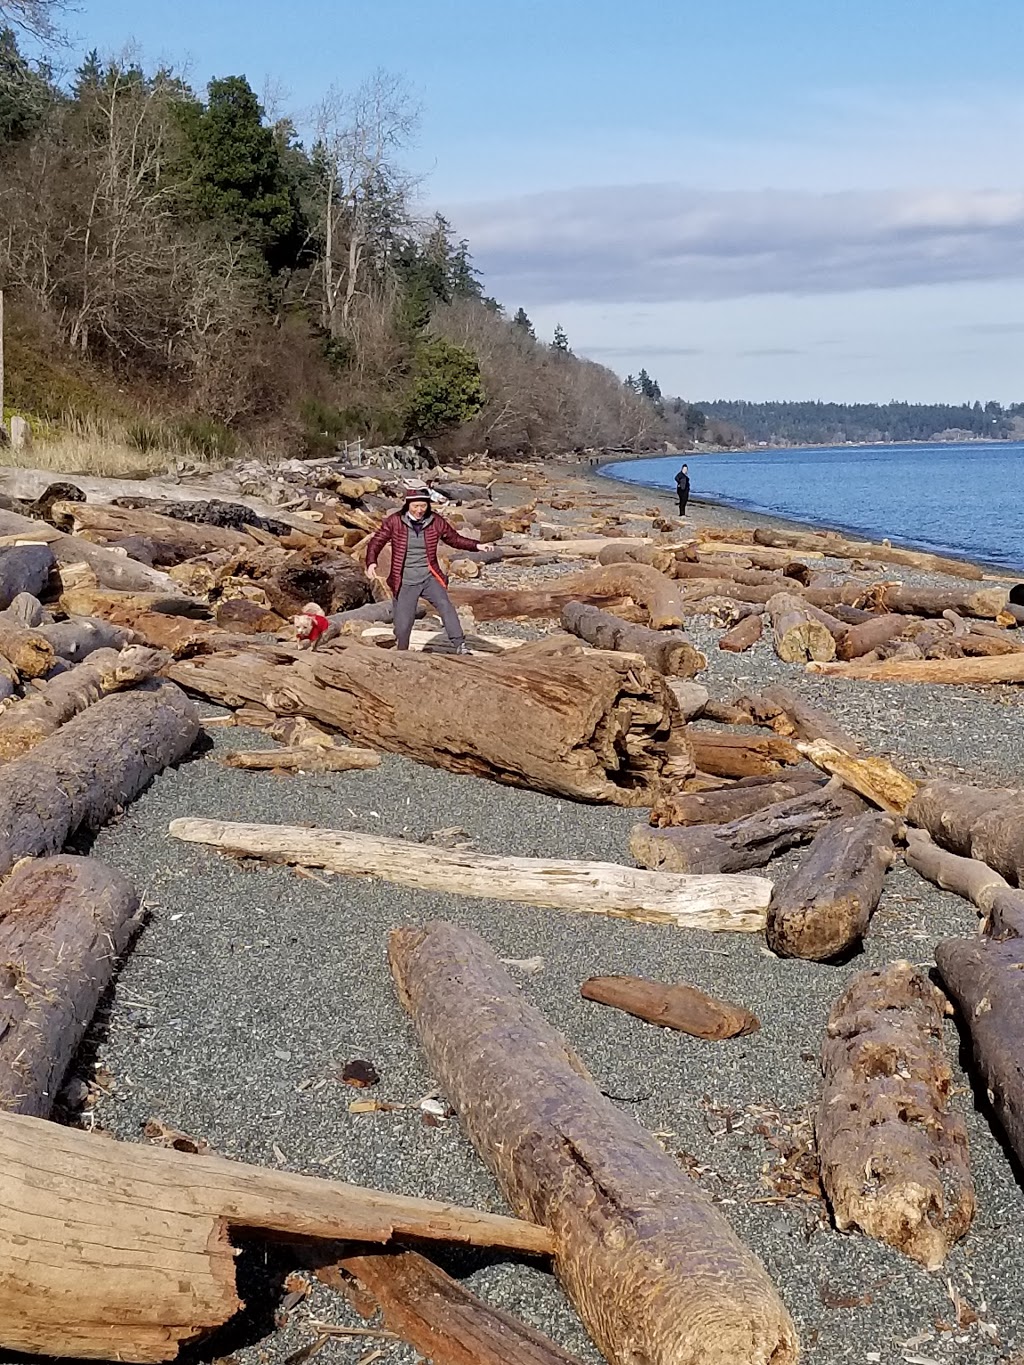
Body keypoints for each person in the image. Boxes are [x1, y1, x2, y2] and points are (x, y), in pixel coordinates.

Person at [364, 484, 491, 654]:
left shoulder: (435, 521)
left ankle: (460, 645)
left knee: (446, 606)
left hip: (429, 576)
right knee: (403, 624)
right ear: (408, 505)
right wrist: (371, 562)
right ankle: (401, 652)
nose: (419, 510)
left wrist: (477, 546)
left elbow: (455, 539)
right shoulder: (395, 521)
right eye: (415, 506)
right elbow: (376, 541)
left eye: (423, 506)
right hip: (404, 579)